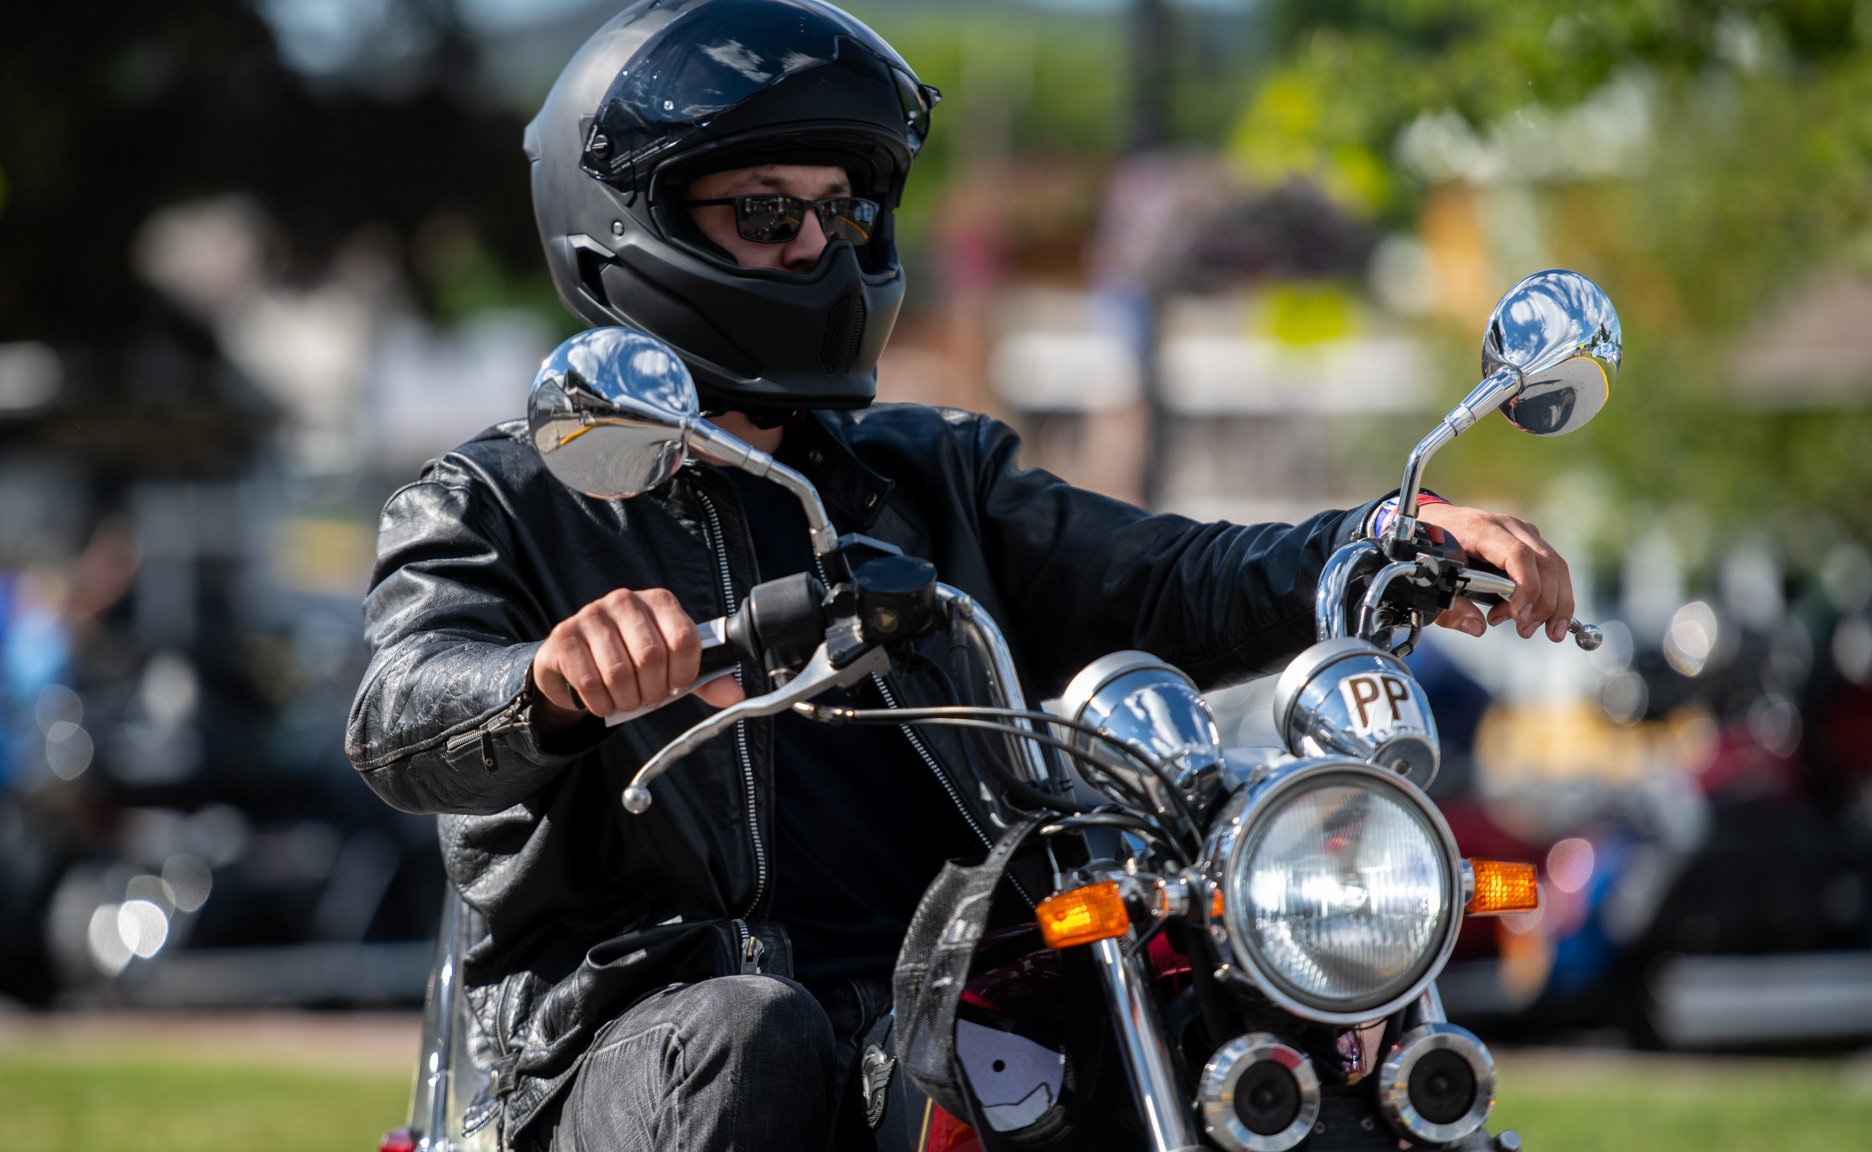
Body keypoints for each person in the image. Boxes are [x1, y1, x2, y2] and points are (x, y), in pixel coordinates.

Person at [346, 2, 1577, 1148]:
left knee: (1193, 991)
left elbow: (1174, 577)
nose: (818, 245)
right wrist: (551, 683)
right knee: (746, 1034)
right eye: (767, 214)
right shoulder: (496, 500)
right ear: (634, 224)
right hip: (622, 1053)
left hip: (923, 1014)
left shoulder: (935, 479)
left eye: (839, 209)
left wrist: (1377, 537)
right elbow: (401, 715)